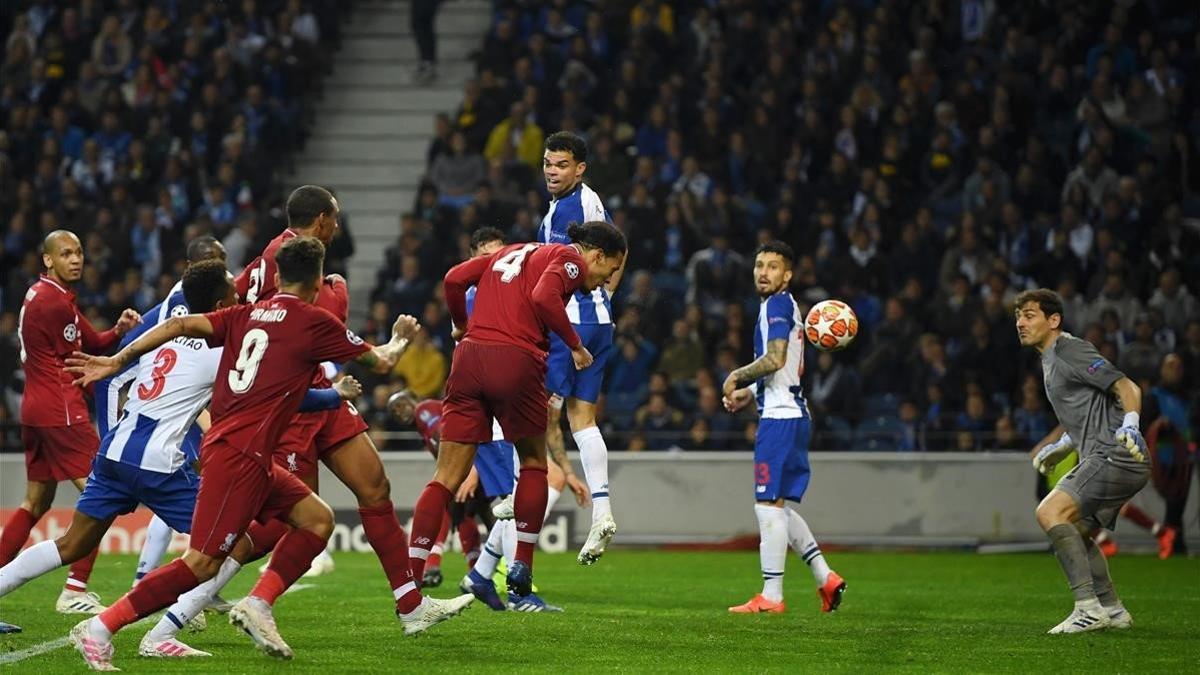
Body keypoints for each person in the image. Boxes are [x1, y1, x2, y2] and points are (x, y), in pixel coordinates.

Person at [63, 237, 470, 670]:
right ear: (317, 283)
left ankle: (258, 604)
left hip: (246, 452)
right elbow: (383, 362)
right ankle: (102, 628)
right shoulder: (314, 322)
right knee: (200, 563)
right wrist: (400, 338)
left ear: (275, 277)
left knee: (317, 519)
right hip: (238, 457)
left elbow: (178, 326)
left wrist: (117, 360)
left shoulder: (243, 313)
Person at [0, 259, 352, 654]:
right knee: (227, 549)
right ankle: (163, 633)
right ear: (221, 303)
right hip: (156, 462)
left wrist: (117, 360)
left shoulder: (164, 332)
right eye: (234, 294)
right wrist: (334, 394)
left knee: (72, 543)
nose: (240, 296)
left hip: (116, 449)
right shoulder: (224, 347)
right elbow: (280, 391)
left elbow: (154, 341)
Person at [406, 221, 626, 607]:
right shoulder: (568, 259)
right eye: (610, 270)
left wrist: (461, 325)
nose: (606, 280)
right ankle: (521, 575)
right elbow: (544, 298)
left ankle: (408, 582)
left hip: (468, 359)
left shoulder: (510, 252)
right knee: (533, 465)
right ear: (598, 255)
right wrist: (575, 345)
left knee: (444, 477)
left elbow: (454, 278)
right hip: (515, 359)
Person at [233, 186, 426, 607]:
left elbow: (237, 296)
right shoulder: (297, 269)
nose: (338, 226)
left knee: (374, 486)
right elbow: (326, 324)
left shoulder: (272, 254)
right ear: (321, 219)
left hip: (321, 389)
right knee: (283, 524)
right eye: (335, 218)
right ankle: (199, 596)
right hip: (292, 399)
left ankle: (411, 604)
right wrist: (393, 336)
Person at [2, 230, 142, 615]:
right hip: (61, 411)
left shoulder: (43, 293)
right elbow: (81, 357)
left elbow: (93, 342)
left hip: (35, 409)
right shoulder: (55, 303)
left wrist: (117, 332)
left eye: (79, 252)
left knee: (35, 502)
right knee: (105, 493)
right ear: (48, 260)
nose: (76, 259)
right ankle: (75, 589)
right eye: (65, 254)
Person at [93, 236, 226, 590]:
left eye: (222, 262)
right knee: (199, 507)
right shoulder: (182, 309)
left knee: (189, 499)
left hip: (179, 414)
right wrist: (109, 435)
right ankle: (158, 585)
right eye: (211, 261)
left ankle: (164, 582)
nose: (219, 269)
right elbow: (117, 376)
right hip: (164, 422)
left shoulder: (204, 308)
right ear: (190, 269)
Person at [722, 241, 847, 614]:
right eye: (759, 265)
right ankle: (826, 577)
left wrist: (737, 376)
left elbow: (775, 359)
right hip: (791, 413)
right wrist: (750, 392)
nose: (763, 272)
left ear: (787, 275)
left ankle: (772, 596)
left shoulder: (777, 304)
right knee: (778, 507)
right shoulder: (782, 305)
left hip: (780, 419)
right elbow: (784, 364)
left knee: (767, 506)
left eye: (773, 267)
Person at [1020, 288, 1149, 634]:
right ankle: (1112, 609)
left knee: (1050, 512)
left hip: (1116, 453)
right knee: (1077, 529)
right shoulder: (1049, 359)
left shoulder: (1070, 349)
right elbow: (1088, 409)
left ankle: (1087, 608)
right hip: (1105, 452)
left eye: (1029, 315)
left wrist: (1132, 425)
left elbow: (1126, 386)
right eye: (1018, 316)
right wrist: (1064, 444)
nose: (1020, 322)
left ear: (1054, 320)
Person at [537, 131, 620, 565]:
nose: (553, 171)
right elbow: (617, 253)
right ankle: (602, 511)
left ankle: (520, 502)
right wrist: (605, 300)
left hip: (571, 321)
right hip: (598, 321)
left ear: (580, 168)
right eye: (548, 164)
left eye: (562, 165)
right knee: (581, 418)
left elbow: (616, 253)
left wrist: (593, 297)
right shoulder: (574, 205)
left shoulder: (578, 206)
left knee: (542, 413)